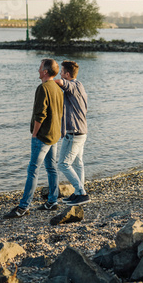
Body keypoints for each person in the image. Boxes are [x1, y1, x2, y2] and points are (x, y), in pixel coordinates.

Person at [4, 58, 63, 218]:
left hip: (43, 136)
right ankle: (52, 201)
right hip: (54, 134)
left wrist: (34, 133)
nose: (38, 70)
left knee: (33, 170)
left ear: (45, 71)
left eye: (39, 68)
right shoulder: (58, 88)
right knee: (51, 168)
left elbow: (40, 114)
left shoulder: (43, 88)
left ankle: (23, 207)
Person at [55, 60, 90, 206]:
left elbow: (60, 83)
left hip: (74, 133)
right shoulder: (80, 85)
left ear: (67, 74)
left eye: (61, 72)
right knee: (77, 164)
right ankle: (77, 193)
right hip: (81, 131)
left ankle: (81, 193)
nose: (60, 74)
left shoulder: (72, 86)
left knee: (63, 164)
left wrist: (49, 79)